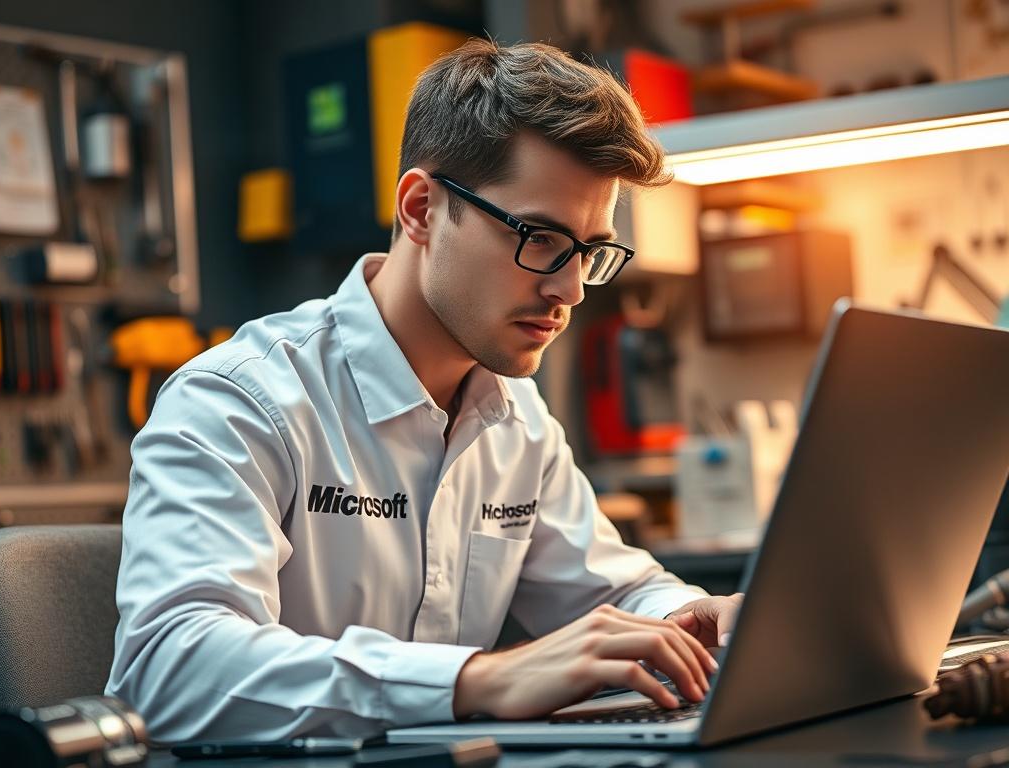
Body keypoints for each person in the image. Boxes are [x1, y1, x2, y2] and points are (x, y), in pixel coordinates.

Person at [106, 37, 742, 744]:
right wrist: (481, 680)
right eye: (540, 237)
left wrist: (699, 617)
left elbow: (615, 592)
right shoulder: (239, 401)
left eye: (590, 252)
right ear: (421, 209)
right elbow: (167, 668)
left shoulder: (515, 417)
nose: (568, 288)